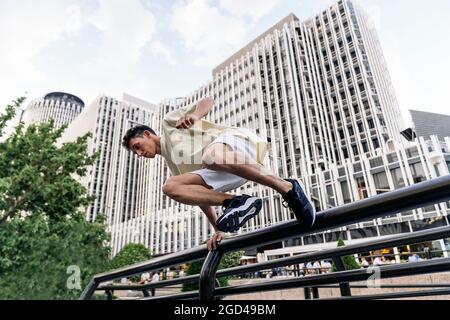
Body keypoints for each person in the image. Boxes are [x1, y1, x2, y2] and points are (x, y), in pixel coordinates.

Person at [122, 98, 316, 251]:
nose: (139, 153)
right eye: (135, 152)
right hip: (228, 170)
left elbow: (208, 100)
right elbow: (202, 201)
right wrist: (219, 229)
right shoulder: (174, 168)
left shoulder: (168, 124)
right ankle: (236, 202)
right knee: (170, 186)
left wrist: (196, 116)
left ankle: (288, 188)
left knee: (211, 156)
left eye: (137, 146)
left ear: (147, 134)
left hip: (237, 147)